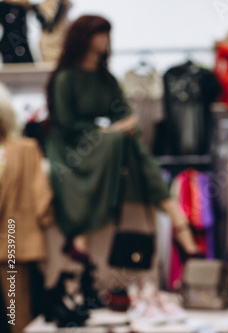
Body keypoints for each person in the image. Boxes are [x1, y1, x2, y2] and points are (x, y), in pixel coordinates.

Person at [46, 15, 198, 265]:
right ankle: (181, 227)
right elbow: (65, 123)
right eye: (100, 34)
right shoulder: (66, 79)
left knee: (130, 142)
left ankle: (179, 224)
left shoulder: (108, 79)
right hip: (71, 145)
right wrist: (107, 130)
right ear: (85, 38)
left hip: (104, 141)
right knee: (119, 141)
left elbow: (125, 114)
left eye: (107, 34)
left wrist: (124, 125)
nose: (105, 40)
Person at [0, 83, 53, 333]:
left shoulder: (24, 149)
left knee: (16, 314)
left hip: (12, 244)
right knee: (16, 314)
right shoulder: (26, 149)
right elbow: (42, 198)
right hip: (13, 242)